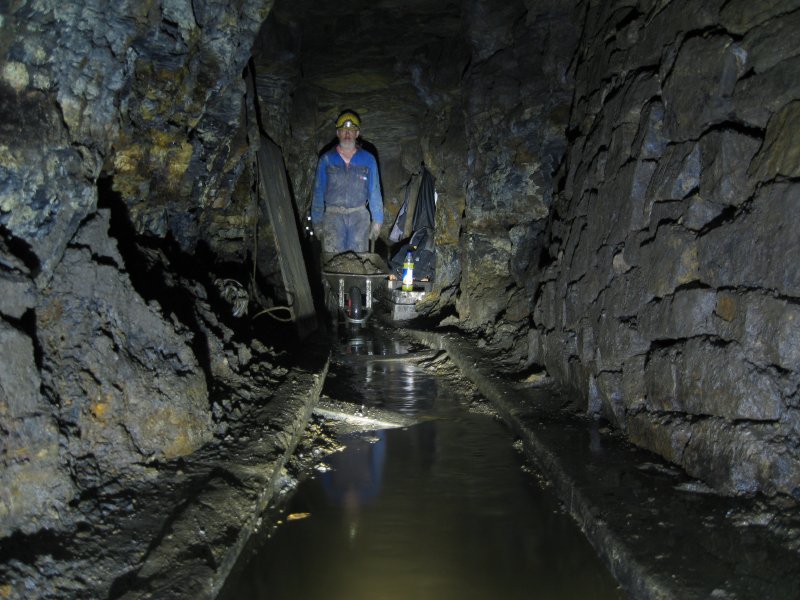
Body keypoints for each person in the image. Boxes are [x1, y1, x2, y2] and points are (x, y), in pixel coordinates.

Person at [311, 110, 383, 254]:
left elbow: (374, 191)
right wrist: (317, 221)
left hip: (359, 218)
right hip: (333, 217)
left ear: (357, 133)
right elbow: (318, 192)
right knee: (333, 262)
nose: (347, 134)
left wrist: (377, 221)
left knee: (358, 262)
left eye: (351, 130)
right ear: (338, 133)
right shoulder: (326, 159)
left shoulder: (368, 160)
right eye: (344, 130)